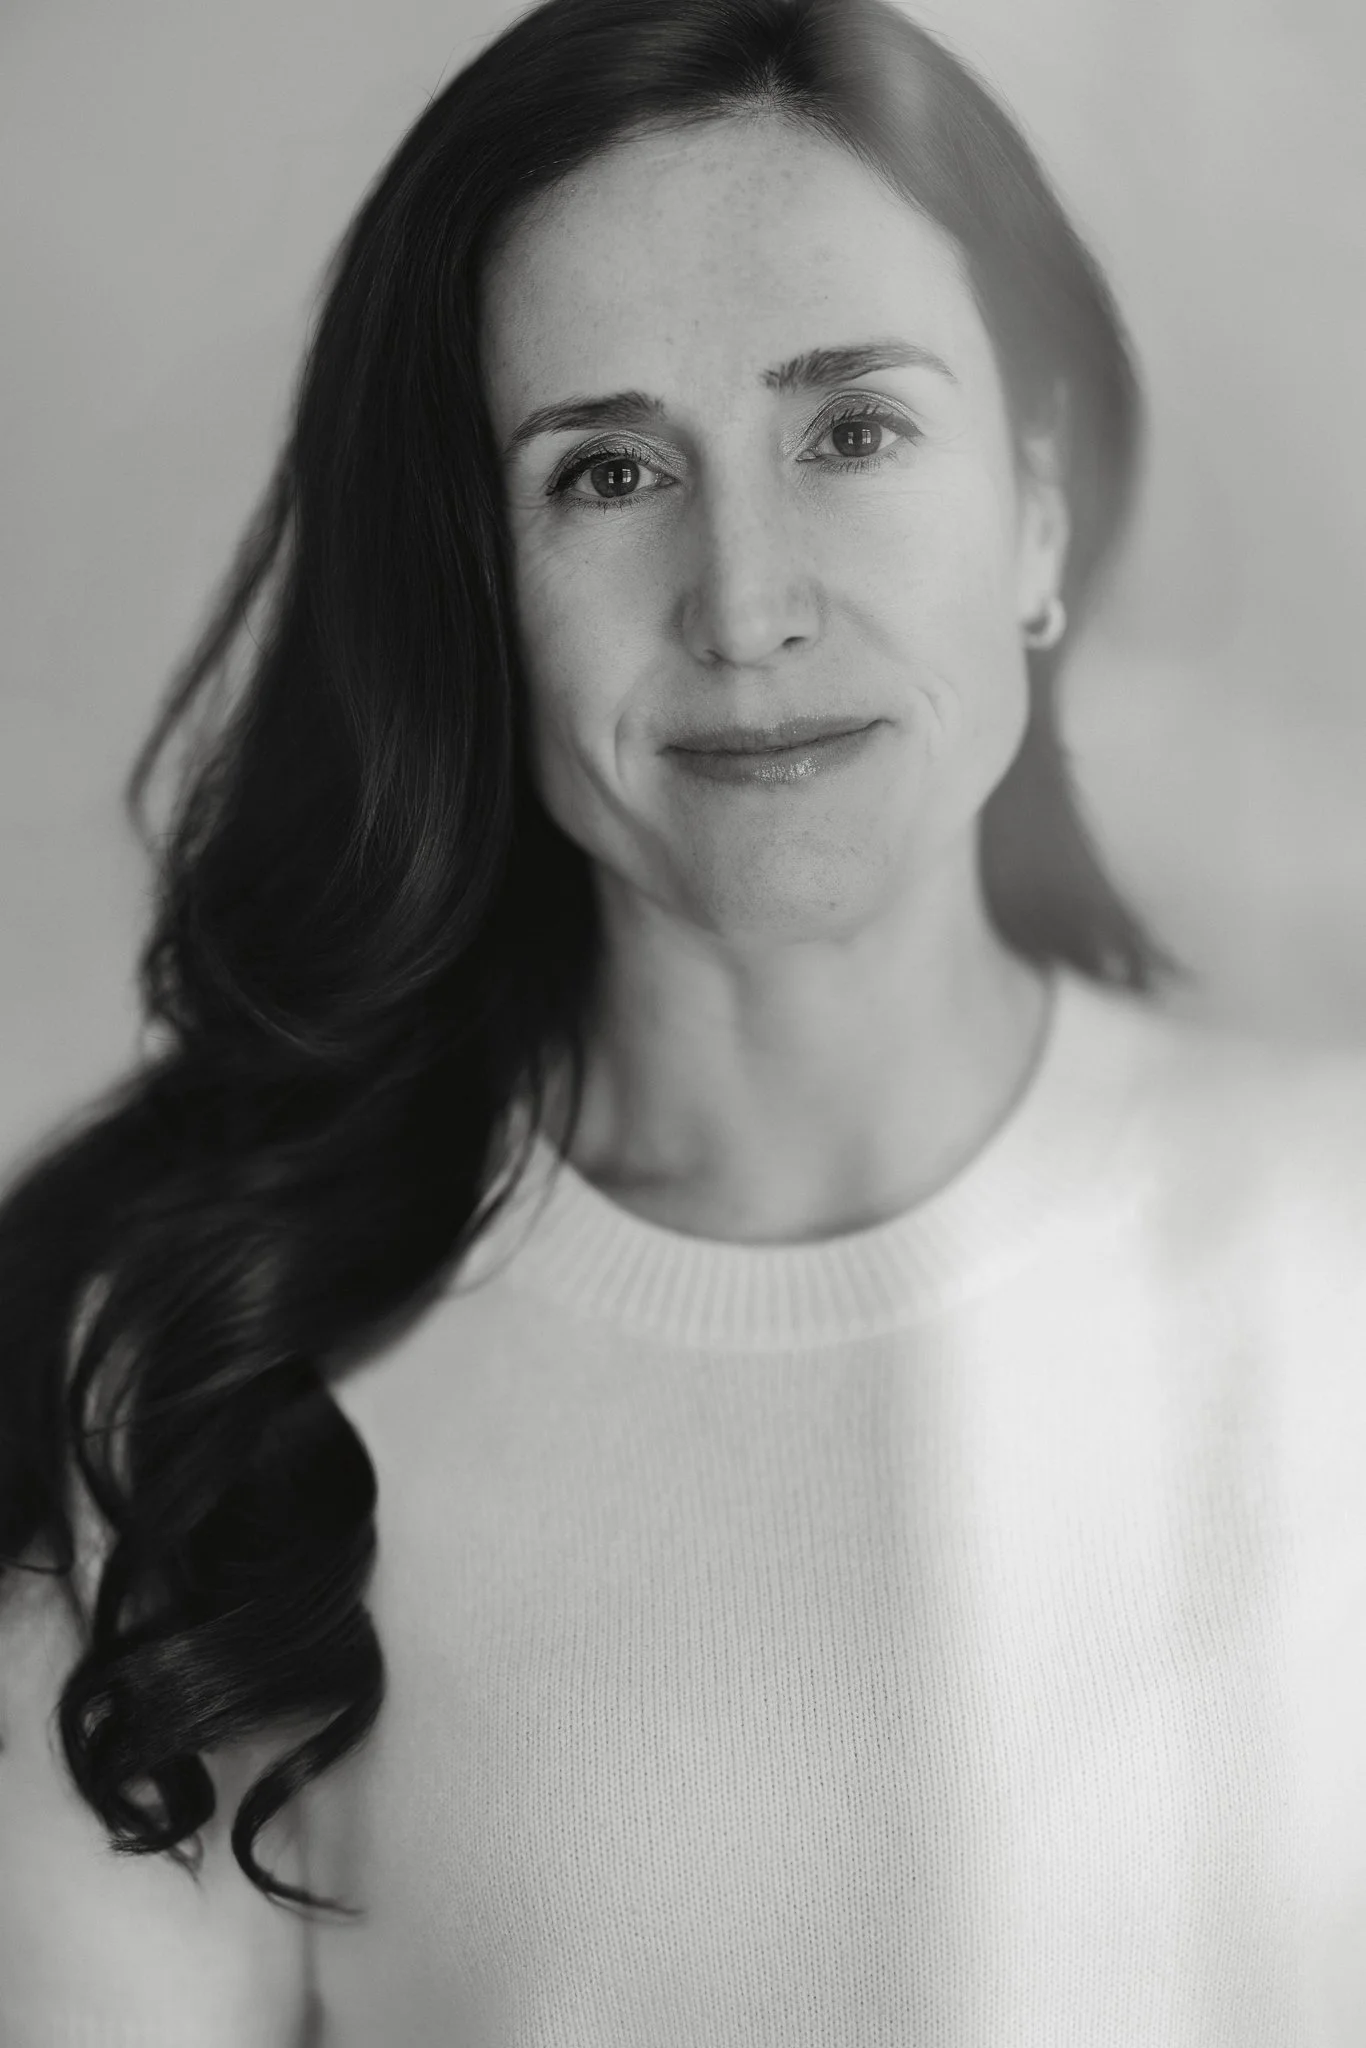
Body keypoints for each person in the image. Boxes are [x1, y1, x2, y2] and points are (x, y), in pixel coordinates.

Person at [2, 0, 1365, 2040]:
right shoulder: (184, 1350)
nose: (741, 603)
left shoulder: (1323, 1231)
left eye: (851, 430)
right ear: (475, 589)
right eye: (607, 471)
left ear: (1037, 507)